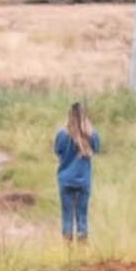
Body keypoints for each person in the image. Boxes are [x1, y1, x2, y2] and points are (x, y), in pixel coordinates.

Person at [53, 101, 99, 243]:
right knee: (82, 216)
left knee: (67, 216)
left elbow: (57, 151)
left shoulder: (62, 134)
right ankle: (82, 248)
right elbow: (96, 149)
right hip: (83, 180)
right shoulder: (91, 135)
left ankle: (67, 250)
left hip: (65, 180)